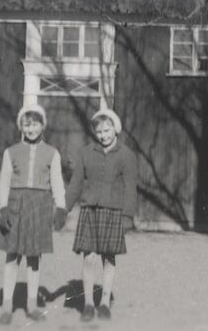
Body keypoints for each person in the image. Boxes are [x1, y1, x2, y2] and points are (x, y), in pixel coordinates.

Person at [0, 104, 68, 324]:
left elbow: (56, 182)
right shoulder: (11, 152)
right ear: (21, 127)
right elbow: (4, 183)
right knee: (12, 256)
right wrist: (3, 208)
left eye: (35, 124)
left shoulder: (52, 153)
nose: (31, 129)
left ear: (42, 126)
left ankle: (32, 305)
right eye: (27, 125)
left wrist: (61, 208)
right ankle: (7, 307)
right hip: (15, 206)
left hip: (40, 206)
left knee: (34, 259)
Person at [66, 108, 137, 322]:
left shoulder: (126, 155)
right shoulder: (86, 153)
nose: (104, 135)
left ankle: (105, 302)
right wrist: (64, 208)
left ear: (115, 130)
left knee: (109, 257)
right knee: (89, 257)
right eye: (100, 132)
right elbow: (76, 183)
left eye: (107, 130)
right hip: (90, 211)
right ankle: (88, 303)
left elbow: (130, 187)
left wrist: (127, 216)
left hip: (113, 212)